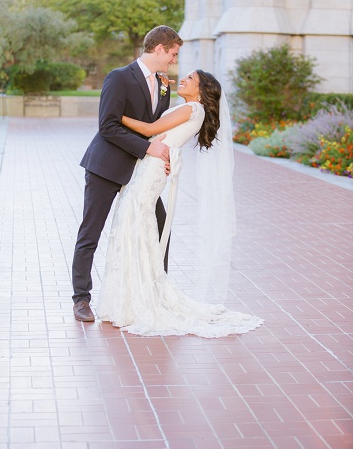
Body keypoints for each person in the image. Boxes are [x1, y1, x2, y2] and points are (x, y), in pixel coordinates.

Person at [94, 70, 262, 337]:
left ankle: (137, 297)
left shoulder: (193, 109)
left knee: (133, 218)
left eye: (190, 79)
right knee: (134, 220)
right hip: (152, 163)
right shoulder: (190, 109)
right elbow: (158, 125)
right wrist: (162, 94)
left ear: (202, 90)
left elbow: (149, 129)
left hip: (153, 167)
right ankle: (130, 294)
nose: (183, 78)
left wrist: (112, 115)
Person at [71, 26, 179, 323]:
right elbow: (107, 125)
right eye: (172, 53)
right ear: (159, 48)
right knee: (91, 232)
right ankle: (81, 298)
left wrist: (162, 154)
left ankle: (159, 292)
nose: (173, 60)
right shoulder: (118, 77)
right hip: (107, 166)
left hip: (142, 174)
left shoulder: (164, 85)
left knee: (160, 226)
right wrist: (148, 148)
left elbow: (156, 125)